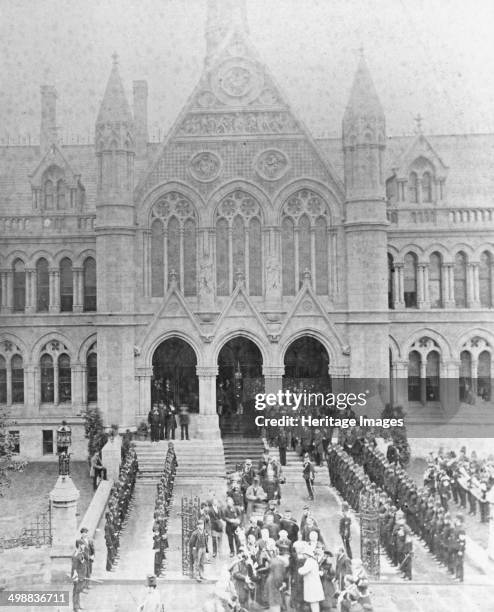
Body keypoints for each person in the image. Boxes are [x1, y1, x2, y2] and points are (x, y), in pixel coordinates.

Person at [298, 546, 325, 612]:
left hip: (312, 585)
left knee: (314, 602)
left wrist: (299, 569)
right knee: (314, 603)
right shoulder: (312, 560)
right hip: (313, 584)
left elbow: (303, 571)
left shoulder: (309, 561)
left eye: (304, 554)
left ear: (307, 554)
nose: (303, 555)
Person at [71, 540, 86, 612]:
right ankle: (76, 608)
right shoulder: (76, 555)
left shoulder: (80, 553)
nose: (84, 546)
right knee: (76, 592)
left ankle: (78, 605)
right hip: (77, 576)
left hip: (81, 576)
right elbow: (74, 568)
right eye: (83, 545)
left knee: (78, 591)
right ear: (79, 545)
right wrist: (76, 577)